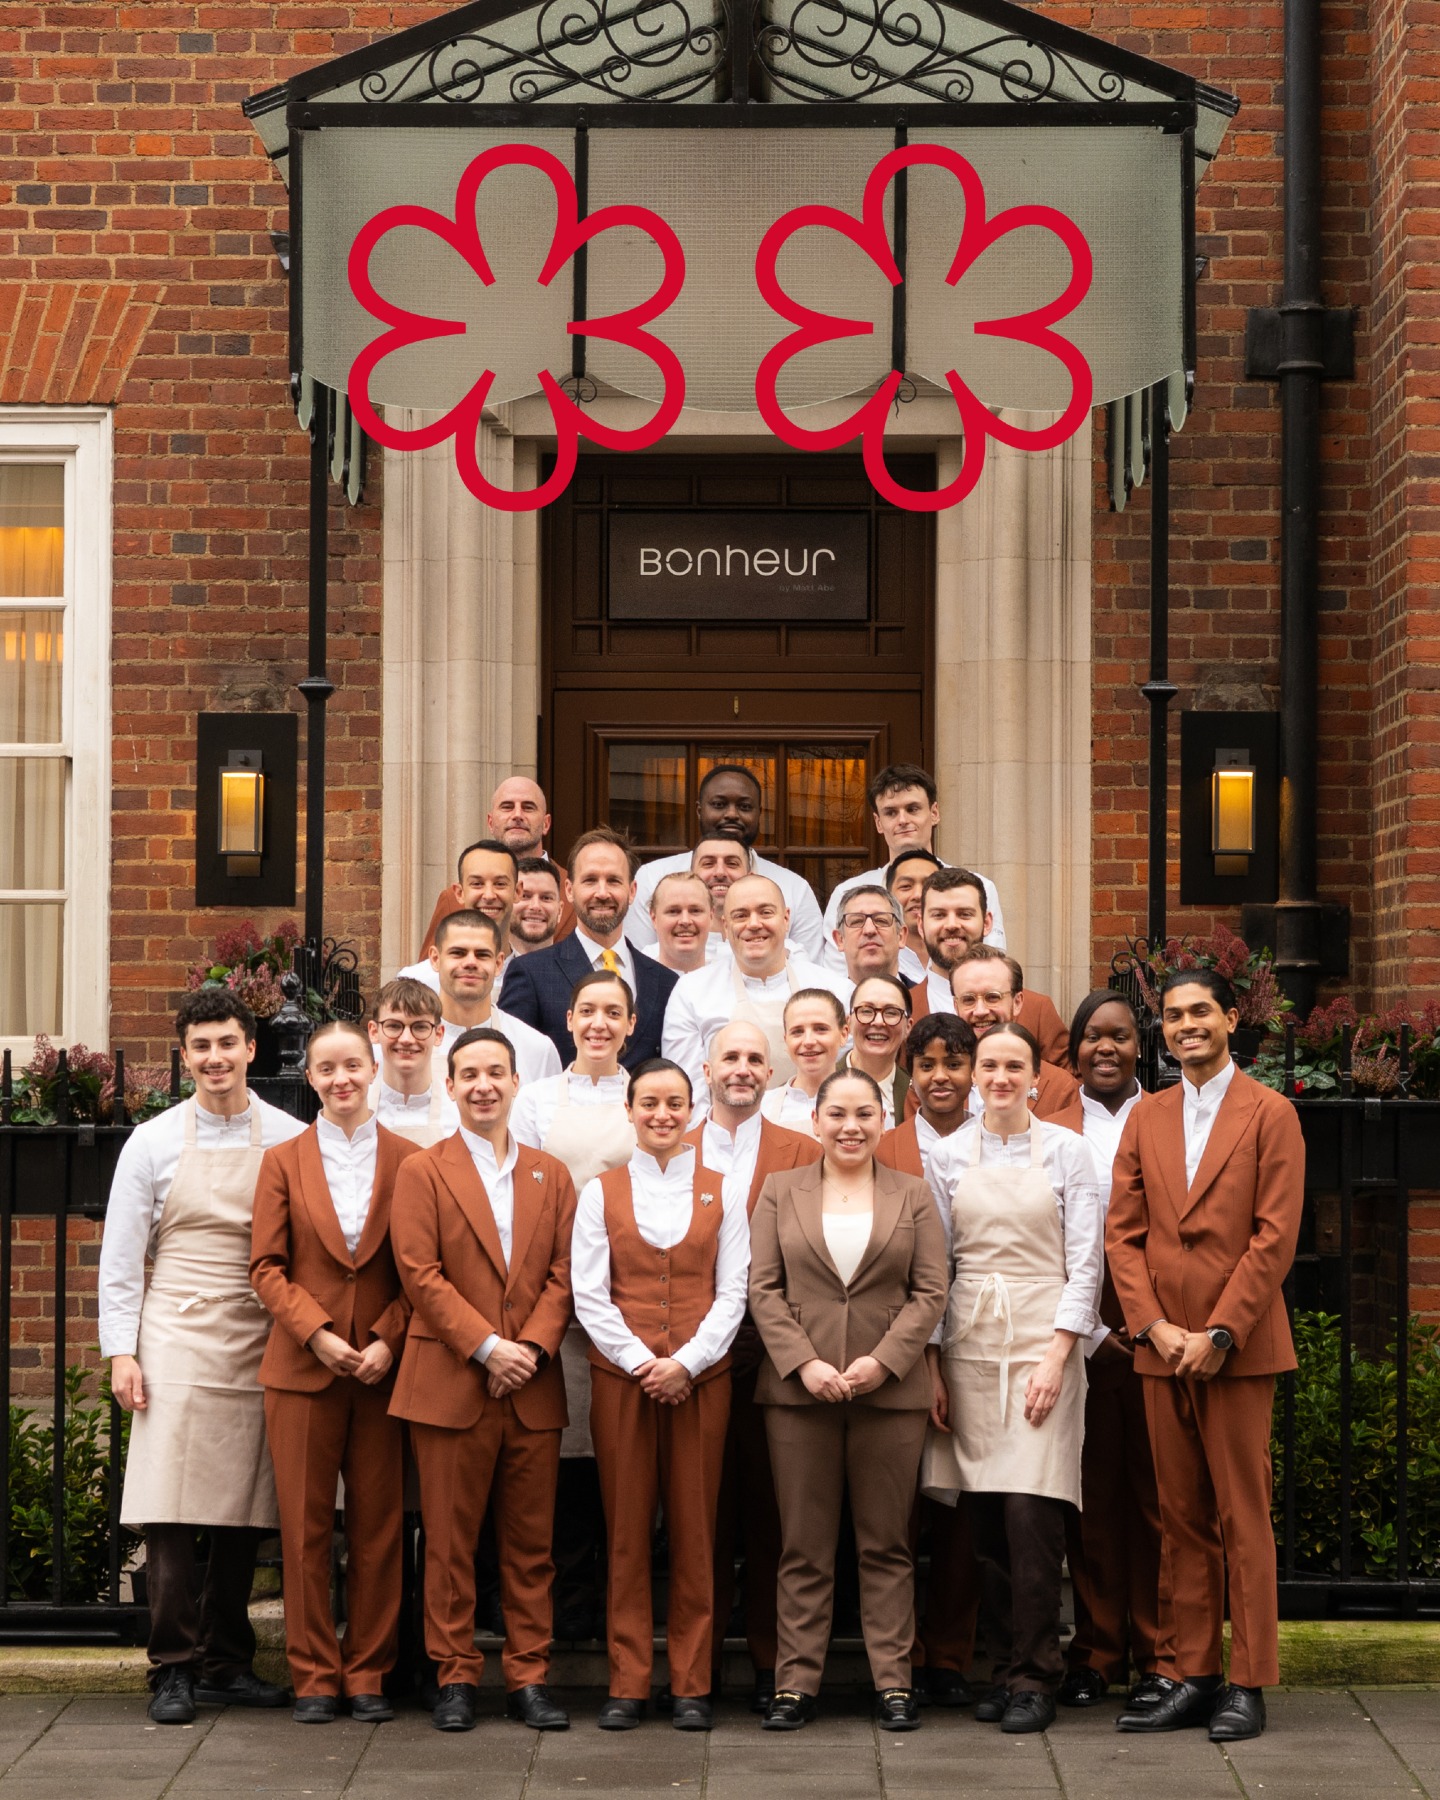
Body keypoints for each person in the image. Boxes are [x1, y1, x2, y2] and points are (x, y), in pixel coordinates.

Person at [1107, 971, 1304, 1744]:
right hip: (1162, 1347)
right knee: (1179, 1517)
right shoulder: (1145, 1115)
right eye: (1174, 1016)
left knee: (1241, 1514)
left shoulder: (1271, 1112)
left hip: (1238, 1349)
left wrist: (1219, 1333)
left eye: (1200, 1013)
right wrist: (1154, 1327)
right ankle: (1189, 1672)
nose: (1186, 1025)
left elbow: (1275, 1235)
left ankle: (1247, 1680)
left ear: (1229, 1019)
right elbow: (1123, 1234)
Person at [99, 989, 305, 1724]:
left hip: (258, 1333)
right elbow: (122, 1259)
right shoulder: (151, 1143)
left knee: (243, 1508)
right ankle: (173, 1666)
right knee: (169, 1507)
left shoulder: (289, 1137)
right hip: (176, 1334)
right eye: (201, 1047)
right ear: (184, 1057)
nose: (215, 1058)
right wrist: (121, 1351)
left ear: (252, 1048)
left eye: (227, 1043)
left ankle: (227, 1661)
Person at [388, 1026, 578, 1734]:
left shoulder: (549, 1173)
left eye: (496, 1072)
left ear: (516, 1082)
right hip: (451, 1384)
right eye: (469, 1074)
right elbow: (419, 1274)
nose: (483, 1086)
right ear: (451, 1085)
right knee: (450, 1542)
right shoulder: (423, 1171)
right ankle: (456, 1675)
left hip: (530, 1388)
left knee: (531, 1547)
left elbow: (564, 1274)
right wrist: (487, 1347)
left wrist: (526, 1348)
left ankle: (529, 1677)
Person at [748, 1069, 948, 1733]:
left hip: (888, 1396)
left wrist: (880, 1363)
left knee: (886, 1544)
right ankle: (795, 1684)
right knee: (802, 1545)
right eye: (837, 1113)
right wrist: (803, 1363)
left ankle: (894, 1681)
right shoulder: (780, 1191)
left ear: (883, 1120)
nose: (851, 1126)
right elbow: (763, 1289)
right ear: (816, 1119)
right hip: (798, 1395)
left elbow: (930, 1292)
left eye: (865, 1113)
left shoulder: (913, 1195)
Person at [924, 1022, 1103, 1735]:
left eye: (1013, 1066)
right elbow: (937, 1266)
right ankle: (1002, 1667)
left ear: (1036, 1077)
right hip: (970, 1338)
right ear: (973, 1075)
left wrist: (1059, 1353)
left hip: (1041, 1335)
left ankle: (1036, 1672)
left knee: (1033, 1511)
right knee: (985, 1520)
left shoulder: (1069, 1151)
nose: (999, 1077)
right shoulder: (944, 1155)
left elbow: (1085, 1263)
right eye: (988, 1064)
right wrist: (935, 1363)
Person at [249, 1021, 421, 1723]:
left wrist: (387, 1339)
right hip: (303, 1369)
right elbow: (265, 1267)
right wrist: (317, 1334)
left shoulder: (413, 1161)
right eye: (328, 1069)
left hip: (382, 1372)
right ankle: (314, 1673)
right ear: (310, 1077)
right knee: (305, 1527)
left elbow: (422, 1272)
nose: (342, 1078)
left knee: (380, 1527)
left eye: (353, 1065)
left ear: (373, 1068)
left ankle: (370, 1671)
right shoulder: (283, 1161)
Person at [572, 1059, 750, 1731]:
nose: (662, 1114)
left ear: (691, 1109)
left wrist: (690, 1362)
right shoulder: (600, 1192)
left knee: (697, 1528)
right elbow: (590, 1293)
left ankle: (693, 1682)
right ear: (630, 1109)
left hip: (702, 1382)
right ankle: (628, 1680)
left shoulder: (723, 1189)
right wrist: (645, 1362)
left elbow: (734, 1291)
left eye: (675, 1103)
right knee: (624, 1529)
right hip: (625, 1381)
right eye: (650, 1102)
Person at [682, 1023, 822, 1710]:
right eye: (730, 1058)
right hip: (694, 1354)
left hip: (777, 1351)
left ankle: (777, 1666)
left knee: (776, 1515)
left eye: (754, 1059)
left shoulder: (802, 1152)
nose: (741, 1069)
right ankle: (696, 1672)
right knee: (699, 1513)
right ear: (705, 1068)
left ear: (773, 1072)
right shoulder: (671, 1145)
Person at [1047, 991, 1169, 1713]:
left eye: (1119, 1037)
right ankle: (1095, 1649)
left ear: (1138, 1046)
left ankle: (1159, 1649)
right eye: (1092, 1036)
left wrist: (1149, 1325)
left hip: (1157, 1330)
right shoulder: (1052, 1130)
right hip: (1082, 1333)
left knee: (1158, 1498)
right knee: (1089, 1503)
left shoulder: (1166, 1119)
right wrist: (1089, 1332)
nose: (1105, 1049)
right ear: (1073, 1048)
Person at [510, 970, 640, 1642]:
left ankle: (616, 1597)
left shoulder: (645, 1096)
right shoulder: (535, 1100)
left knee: (618, 1445)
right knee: (563, 1443)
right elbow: (530, 1186)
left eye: (612, 1013)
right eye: (587, 1010)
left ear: (630, 1024)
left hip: (628, 1289)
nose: (598, 1024)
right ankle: (565, 1596)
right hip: (554, 1286)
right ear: (568, 1020)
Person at [876, 1014, 982, 1708]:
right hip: (898, 1344)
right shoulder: (883, 1146)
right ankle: (902, 1654)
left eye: (955, 1062)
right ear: (908, 1071)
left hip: (978, 1337)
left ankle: (952, 1652)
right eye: (928, 1063)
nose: (941, 1075)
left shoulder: (998, 1143)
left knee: (963, 1510)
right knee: (897, 1509)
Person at [502, 827, 679, 1071]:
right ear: (569, 890)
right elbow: (511, 1065)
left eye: (614, 881)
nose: (602, 893)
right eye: (590, 880)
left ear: (632, 891)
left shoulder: (665, 981)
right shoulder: (529, 973)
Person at [662, 874, 849, 1094]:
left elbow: (849, 1077)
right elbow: (687, 1091)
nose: (753, 924)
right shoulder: (692, 991)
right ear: (725, 925)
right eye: (740, 915)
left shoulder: (836, 989)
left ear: (786, 918)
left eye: (765, 912)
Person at [626, 765, 826, 960]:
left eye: (745, 806)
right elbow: (639, 963)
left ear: (759, 813)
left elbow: (811, 971)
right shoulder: (652, 877)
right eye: (719, 805)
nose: (731, 814)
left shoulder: (794, 888)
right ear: (699, 810)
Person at [821, 766, 1006, 973]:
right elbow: (836, 979)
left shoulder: (978, 887)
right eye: (891, 812)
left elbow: (991, 965)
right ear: (878, 822)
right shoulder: (848, 894)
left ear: (934, 813)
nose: (902, 820)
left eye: (912, 809)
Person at [417, 779, 576, 956]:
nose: (517, 815)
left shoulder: (575, 893)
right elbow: (430, 974)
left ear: (546, 823)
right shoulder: (453, 900)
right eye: (507, 807)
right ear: (491, 822)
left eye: (528, 807)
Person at [430, 910, 561, 1086]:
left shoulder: (536, 1048)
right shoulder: (408, 1045)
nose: (470, 963)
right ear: (435, 959)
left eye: (482, 954)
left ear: (499, 963)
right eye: (458, 953)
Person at [949, 950, 1078, 1116]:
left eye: (992, 997)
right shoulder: (940, 1086)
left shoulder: (1059, 1088)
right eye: (968, 999)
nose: (980, 1011)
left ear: (1017, 1002)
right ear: (955, 1006)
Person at [404, 839, 519, 992]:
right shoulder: (418, 983)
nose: (489, 895)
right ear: (459, 892)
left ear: (518, 892)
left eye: (500, 884)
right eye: (477, 884)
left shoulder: (533, 978)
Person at [367, 976, 458, 1145]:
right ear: (374, 1031)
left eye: (420, 1027)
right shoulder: (356, 1110)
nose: (407, 1039)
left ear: (438, 1035)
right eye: (394, 1026)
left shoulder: (458, 1114)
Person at [760, 988, 847, 1134]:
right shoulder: (763, 1107)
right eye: (797, 1032)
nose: (808, 1041)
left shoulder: (868, 1104)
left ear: (843, 1034)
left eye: (820, 1029)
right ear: (785, 1040)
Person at [839, 973, 913, 1124]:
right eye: (866, 1011)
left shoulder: (916, 1094)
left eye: (891, 1012)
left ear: (908, 1027)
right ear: (849, 1023)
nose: (878, 1022)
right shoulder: (821, 1085)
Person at [831, 884, 909, 987]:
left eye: (881, 920)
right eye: (857, 921)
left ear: (901, 936)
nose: (869, 930)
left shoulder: (927, 1001)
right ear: (840, 939)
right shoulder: (824, 1002)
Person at [886, 848, 943, 986]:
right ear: (888, 897)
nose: (918, 895)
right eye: (906, 886)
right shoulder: (879, 964)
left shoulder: (963, 963)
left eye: (929, 885)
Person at [645, 871, 714, 974]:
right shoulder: (635, 982)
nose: (685, 921)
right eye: (673, 911)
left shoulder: (731, 982)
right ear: (654, 918)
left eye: (695, 911)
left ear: (711, 916)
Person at [512, 857, 566, 957]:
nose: (535, 906)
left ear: (560, 911)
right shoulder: (483, 968)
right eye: (524, 896)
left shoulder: (582, 971)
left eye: (546, 898)